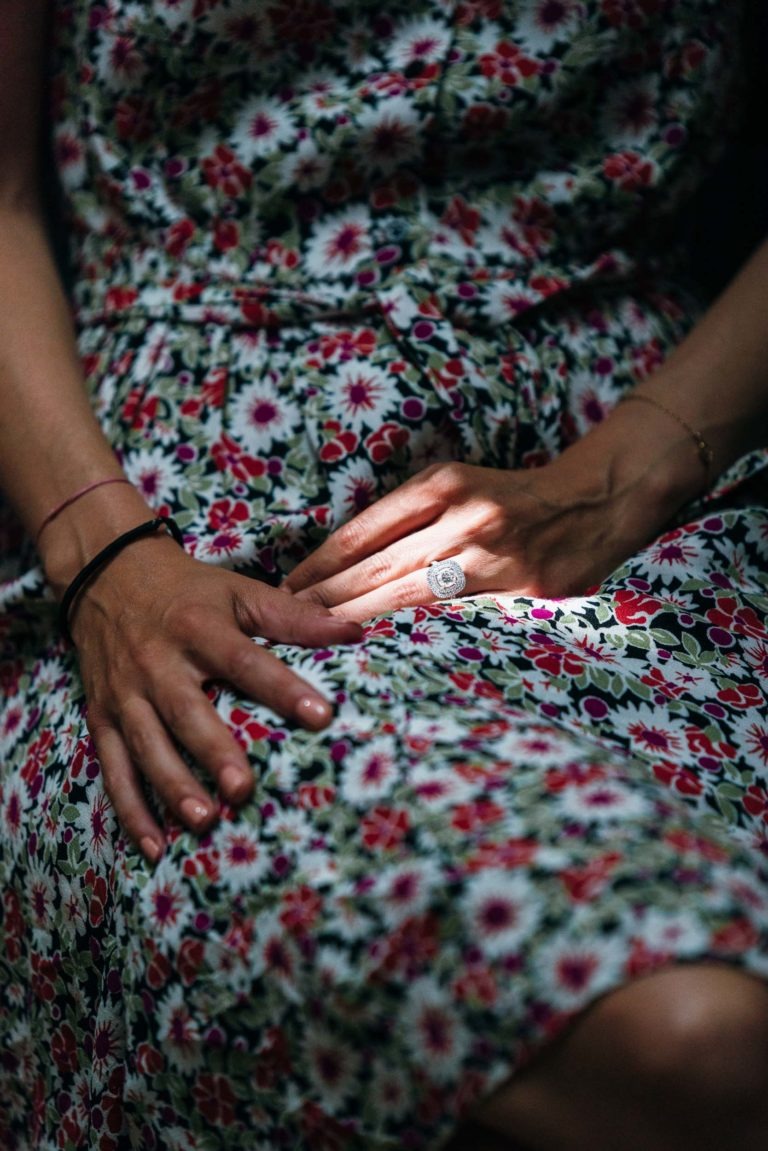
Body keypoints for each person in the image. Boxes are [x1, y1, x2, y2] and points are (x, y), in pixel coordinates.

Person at [2, 1, 768, 1147]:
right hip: (187, 567)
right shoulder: (135, 567)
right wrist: (102, 548)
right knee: (689, 1033)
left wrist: (629, 470)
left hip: (665, 524)